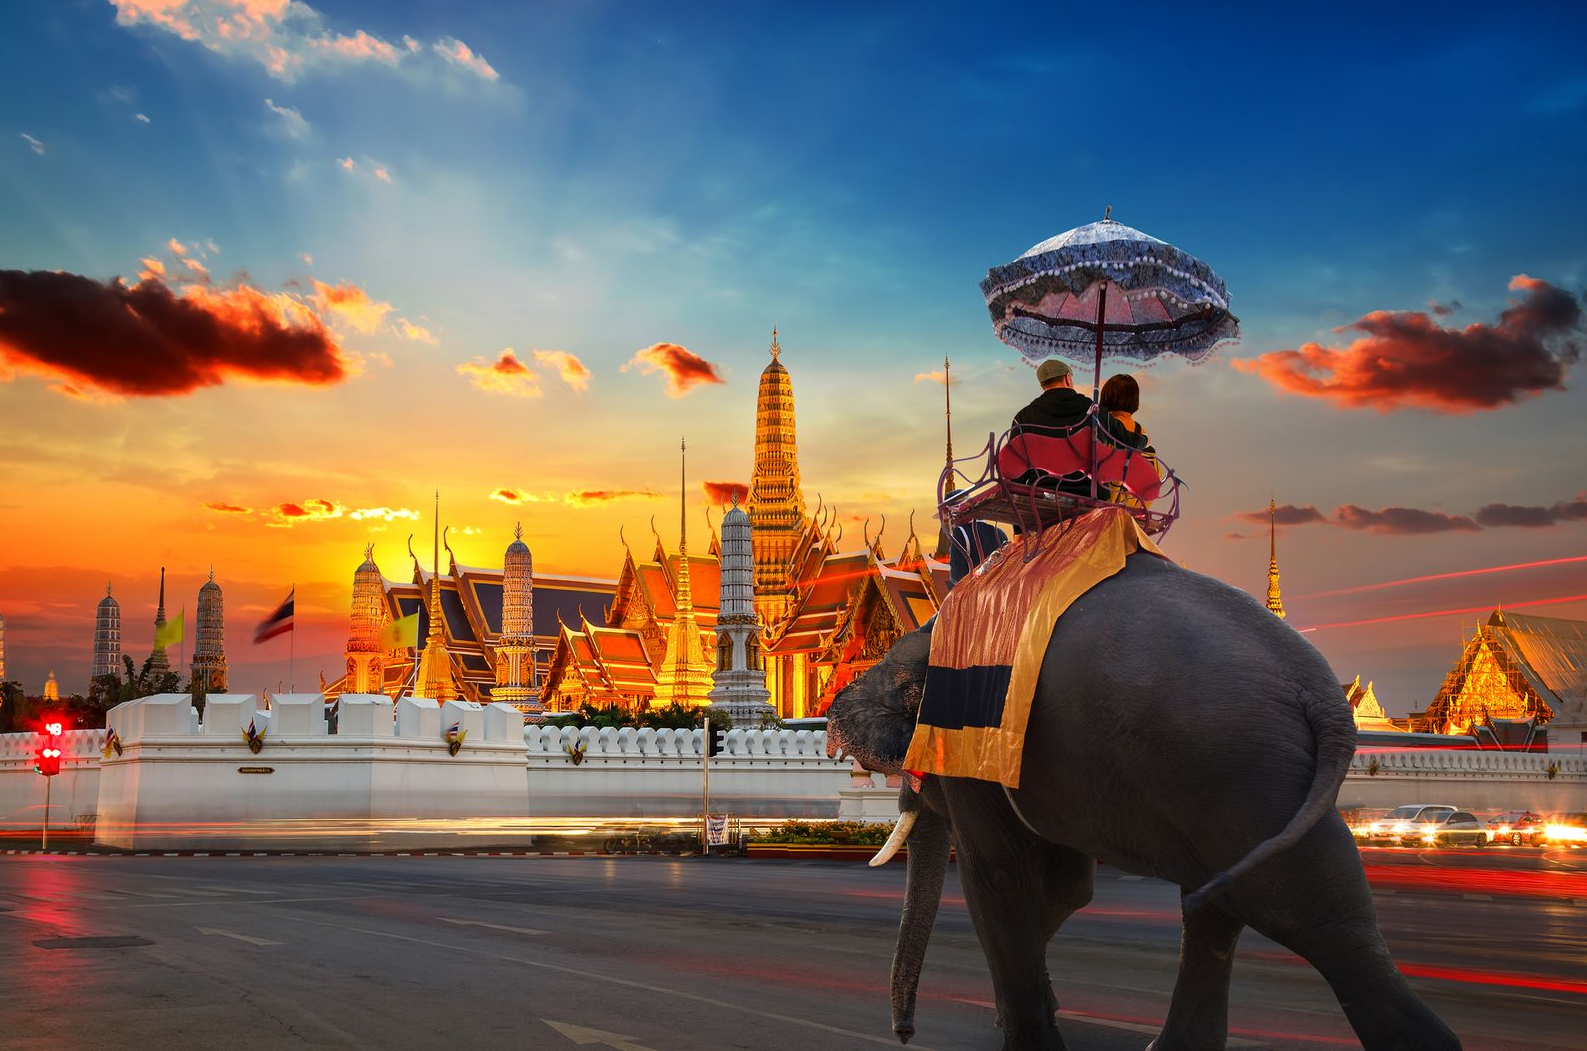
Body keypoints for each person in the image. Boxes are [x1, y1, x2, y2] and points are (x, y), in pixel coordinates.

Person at [1010, 359, 1146, 495]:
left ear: (1043, 385)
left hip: (1043, 494)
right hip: (1090, 495)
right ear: (1068, 379)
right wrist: (1145, 439)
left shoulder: (1023, 417)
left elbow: (1016, 467)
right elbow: (1128, 442)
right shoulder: (1095, 411)